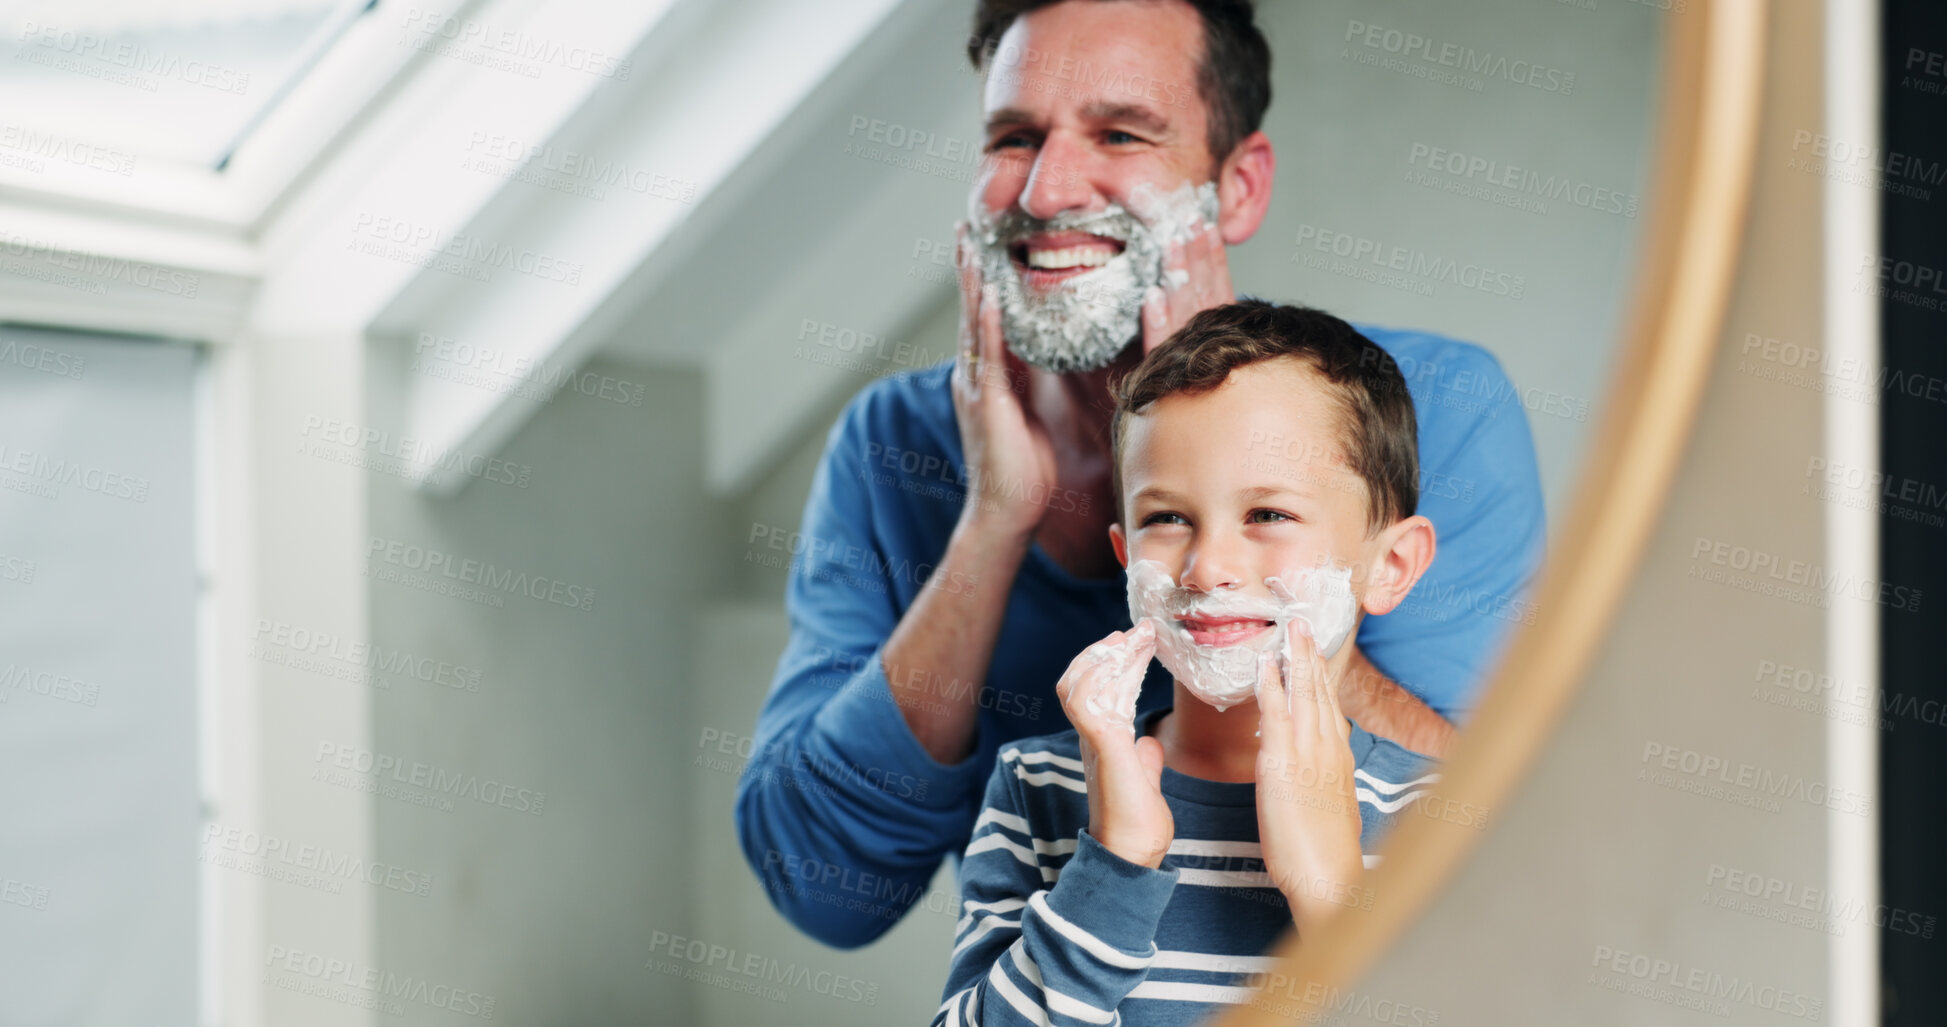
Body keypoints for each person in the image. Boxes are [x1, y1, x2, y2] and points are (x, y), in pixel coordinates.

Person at [735, 0, 1543, 949]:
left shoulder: (1430, 405)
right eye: (1012, 137)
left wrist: (1263, 572)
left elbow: (1507, 840)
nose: (1044, 192)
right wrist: (993, 523)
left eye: (1120, 132)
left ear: (1236, 187)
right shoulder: (894, 443)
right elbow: (825, 891)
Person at [935, 300, 1438, 1026]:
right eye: (1166, 518)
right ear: (1125, 557)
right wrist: (1114, 863)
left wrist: (1331, 894)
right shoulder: (1039, 787)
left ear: (1390, 565)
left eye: (1267, 514)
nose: (1206, 568)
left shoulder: (1441, 816)